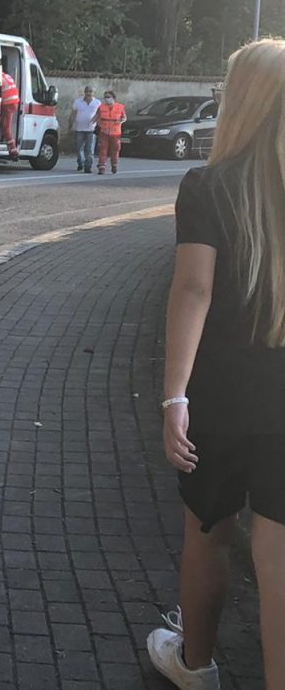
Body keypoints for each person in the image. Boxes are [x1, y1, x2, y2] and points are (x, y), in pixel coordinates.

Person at [148, 39, 285, 690]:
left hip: (221, 395)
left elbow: (194, 291)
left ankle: (195, 667)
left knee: (209, 531)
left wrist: (175, 395)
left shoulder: (208, 186)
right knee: (280, 549)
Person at [70, 85, 100, 174]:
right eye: (87, 91)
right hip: (79, 128)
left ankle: (88, 166)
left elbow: (99, 114)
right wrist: (71, 125)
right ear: (84, 92)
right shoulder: (78, 101)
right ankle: (80, 162)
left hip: (91, 129)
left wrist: (95, 121)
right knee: (79, 148)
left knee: (90, 149)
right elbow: (73, 114)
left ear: (93, 93)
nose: (88, 93)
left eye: (90, 91)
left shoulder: (97, 102)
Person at [95, 90, 126, 174]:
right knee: (102, 149)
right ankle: (101, 167)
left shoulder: (120, 107)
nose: (107, 99)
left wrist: (120, 121)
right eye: (105, 97)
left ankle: (114, 165)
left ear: (113, 98)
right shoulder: (101, 107)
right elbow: (97, 117)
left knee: (115, 150)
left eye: (108, 97)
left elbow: (124, 117)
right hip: (104, 132)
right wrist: (99, 125)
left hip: (115, 132)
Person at [0, 64, 20, 159]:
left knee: (5, 126)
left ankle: (13, 150)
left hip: (8, 102)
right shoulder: (6, 76)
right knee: (5, 124)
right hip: (13, 102)